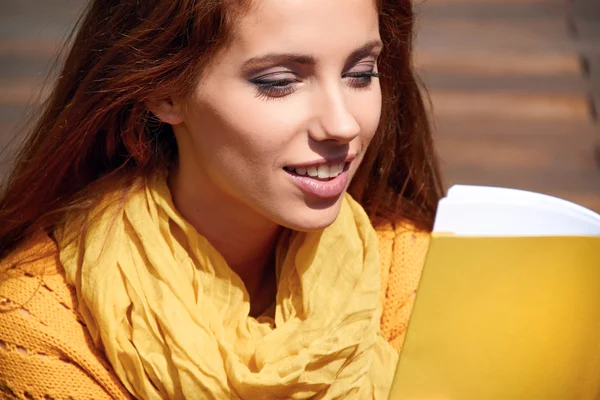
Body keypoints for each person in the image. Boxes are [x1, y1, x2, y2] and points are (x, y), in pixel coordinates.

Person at [0, 0, 443, 398]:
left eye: (361, 74)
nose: (343, 124)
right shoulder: (40, 325)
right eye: (280, 82)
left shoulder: (414, 275)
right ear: (165, 91)